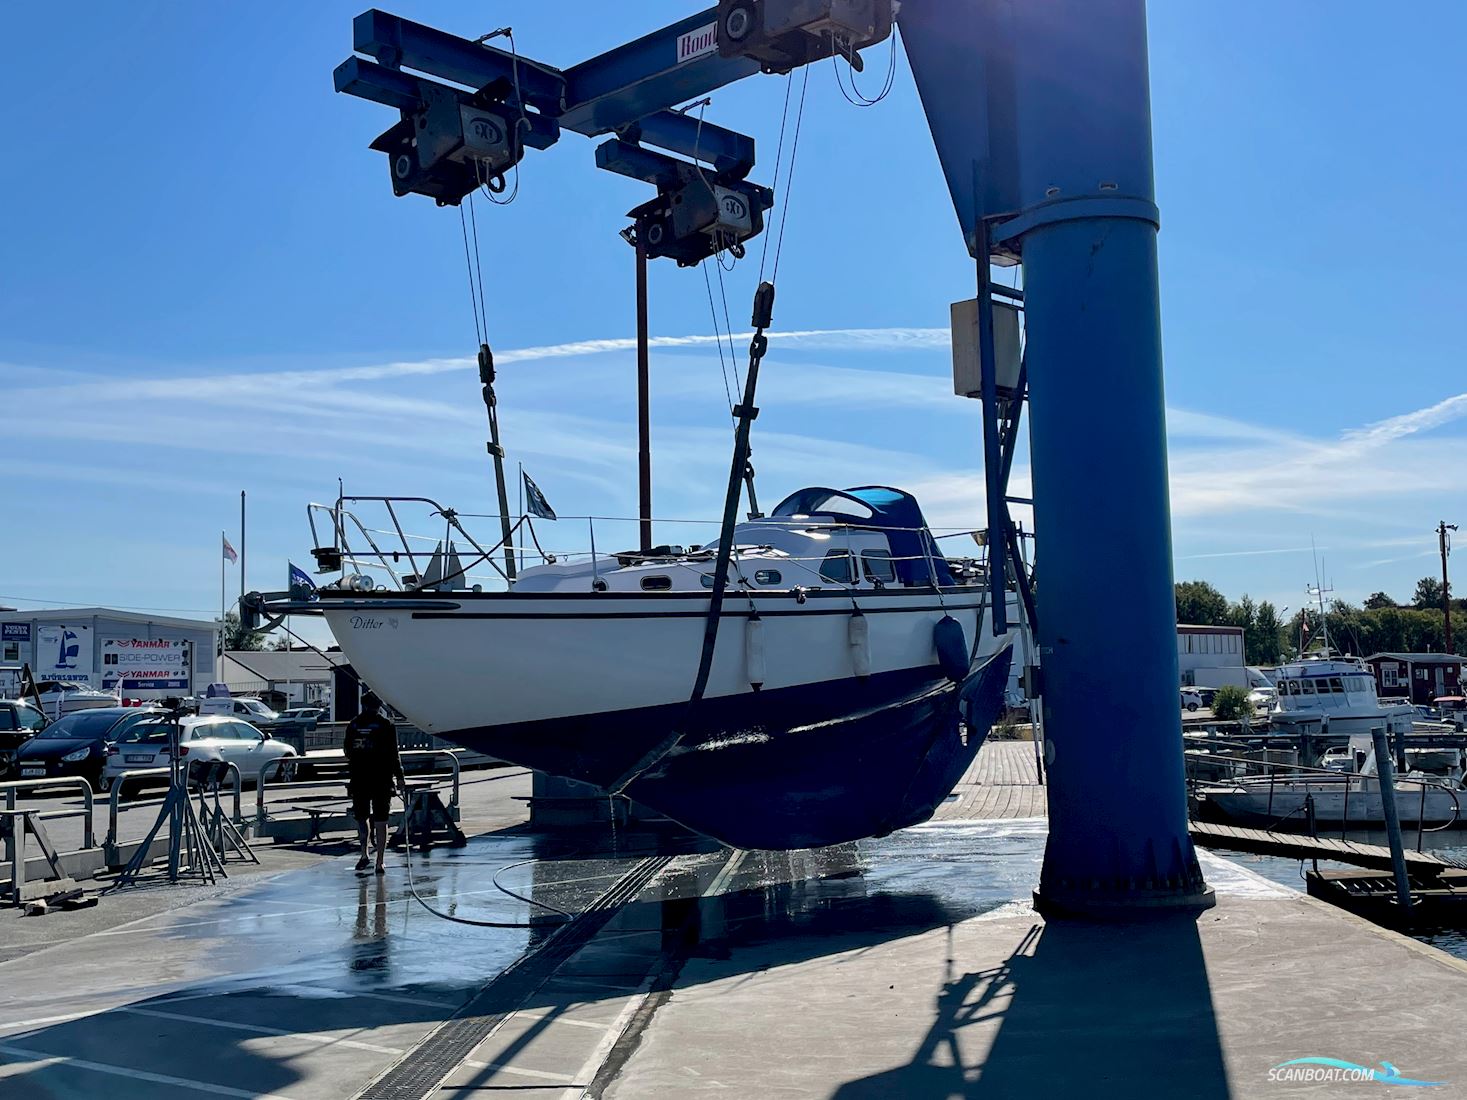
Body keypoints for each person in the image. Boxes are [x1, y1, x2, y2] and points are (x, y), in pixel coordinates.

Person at [343, 690, 405, 874]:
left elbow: (347, 751)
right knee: (381, 819)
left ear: (363, 705)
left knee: (361, 818)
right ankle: (380, 861)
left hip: (359, 777)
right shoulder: (386, 725)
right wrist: (400, 776)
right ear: (379, 706)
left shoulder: (353, 725)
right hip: (381, 779)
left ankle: (364, 853)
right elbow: (394, 754)